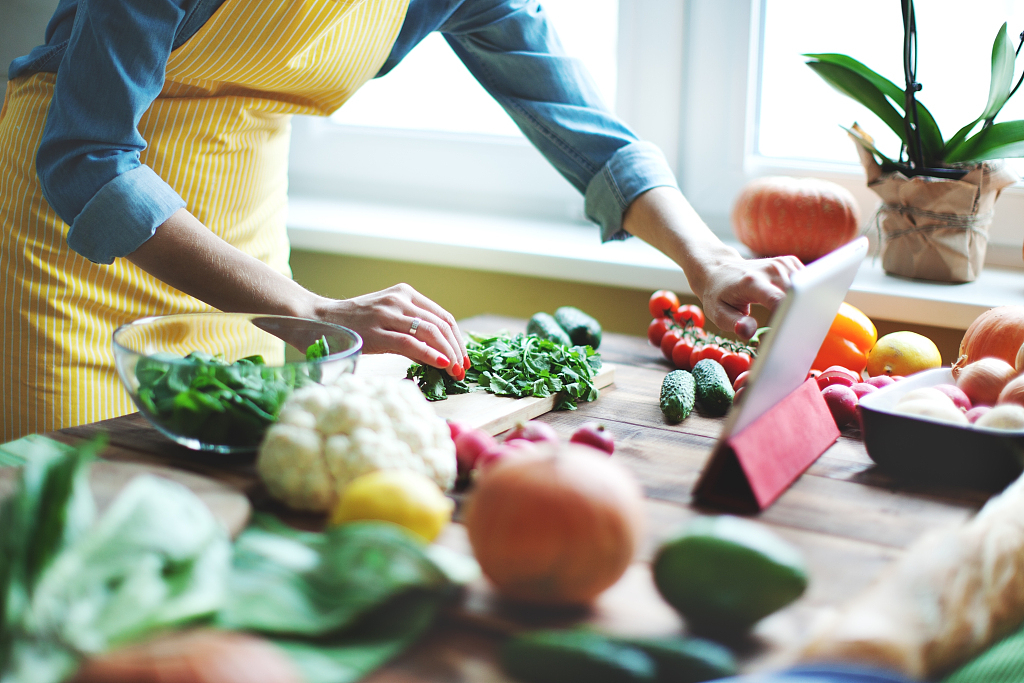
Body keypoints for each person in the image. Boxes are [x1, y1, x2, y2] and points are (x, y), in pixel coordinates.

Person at [0, 0, 801, 441]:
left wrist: (708, 259)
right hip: (73, 250)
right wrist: (308, 309)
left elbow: (583, 128)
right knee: (74, 524)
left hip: (243, 245)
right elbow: (87, 159)